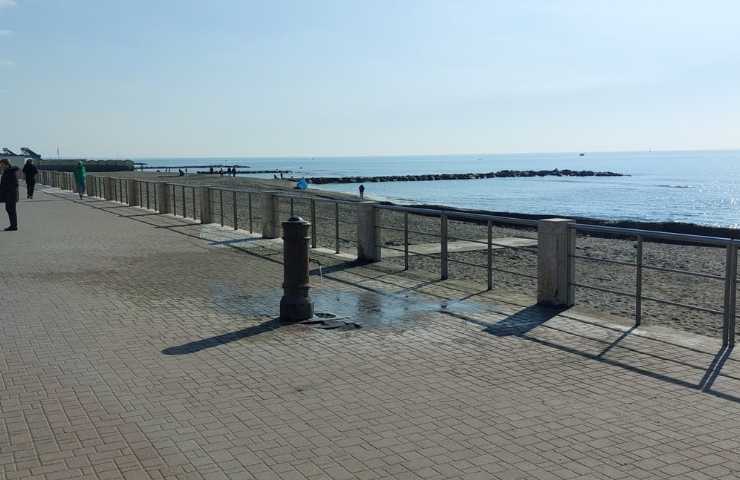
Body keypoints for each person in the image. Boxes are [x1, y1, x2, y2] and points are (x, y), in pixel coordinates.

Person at [0, 159, 19, 231]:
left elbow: (15, 184)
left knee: (11, 210)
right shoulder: (8, 171)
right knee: (9, 209)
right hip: (9, 194)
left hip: (10, 194)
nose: (1, 167)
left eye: (2, 165)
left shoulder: (10, 172)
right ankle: (13, 225)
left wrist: (7, 190)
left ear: (6, 165)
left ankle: (14, 226)